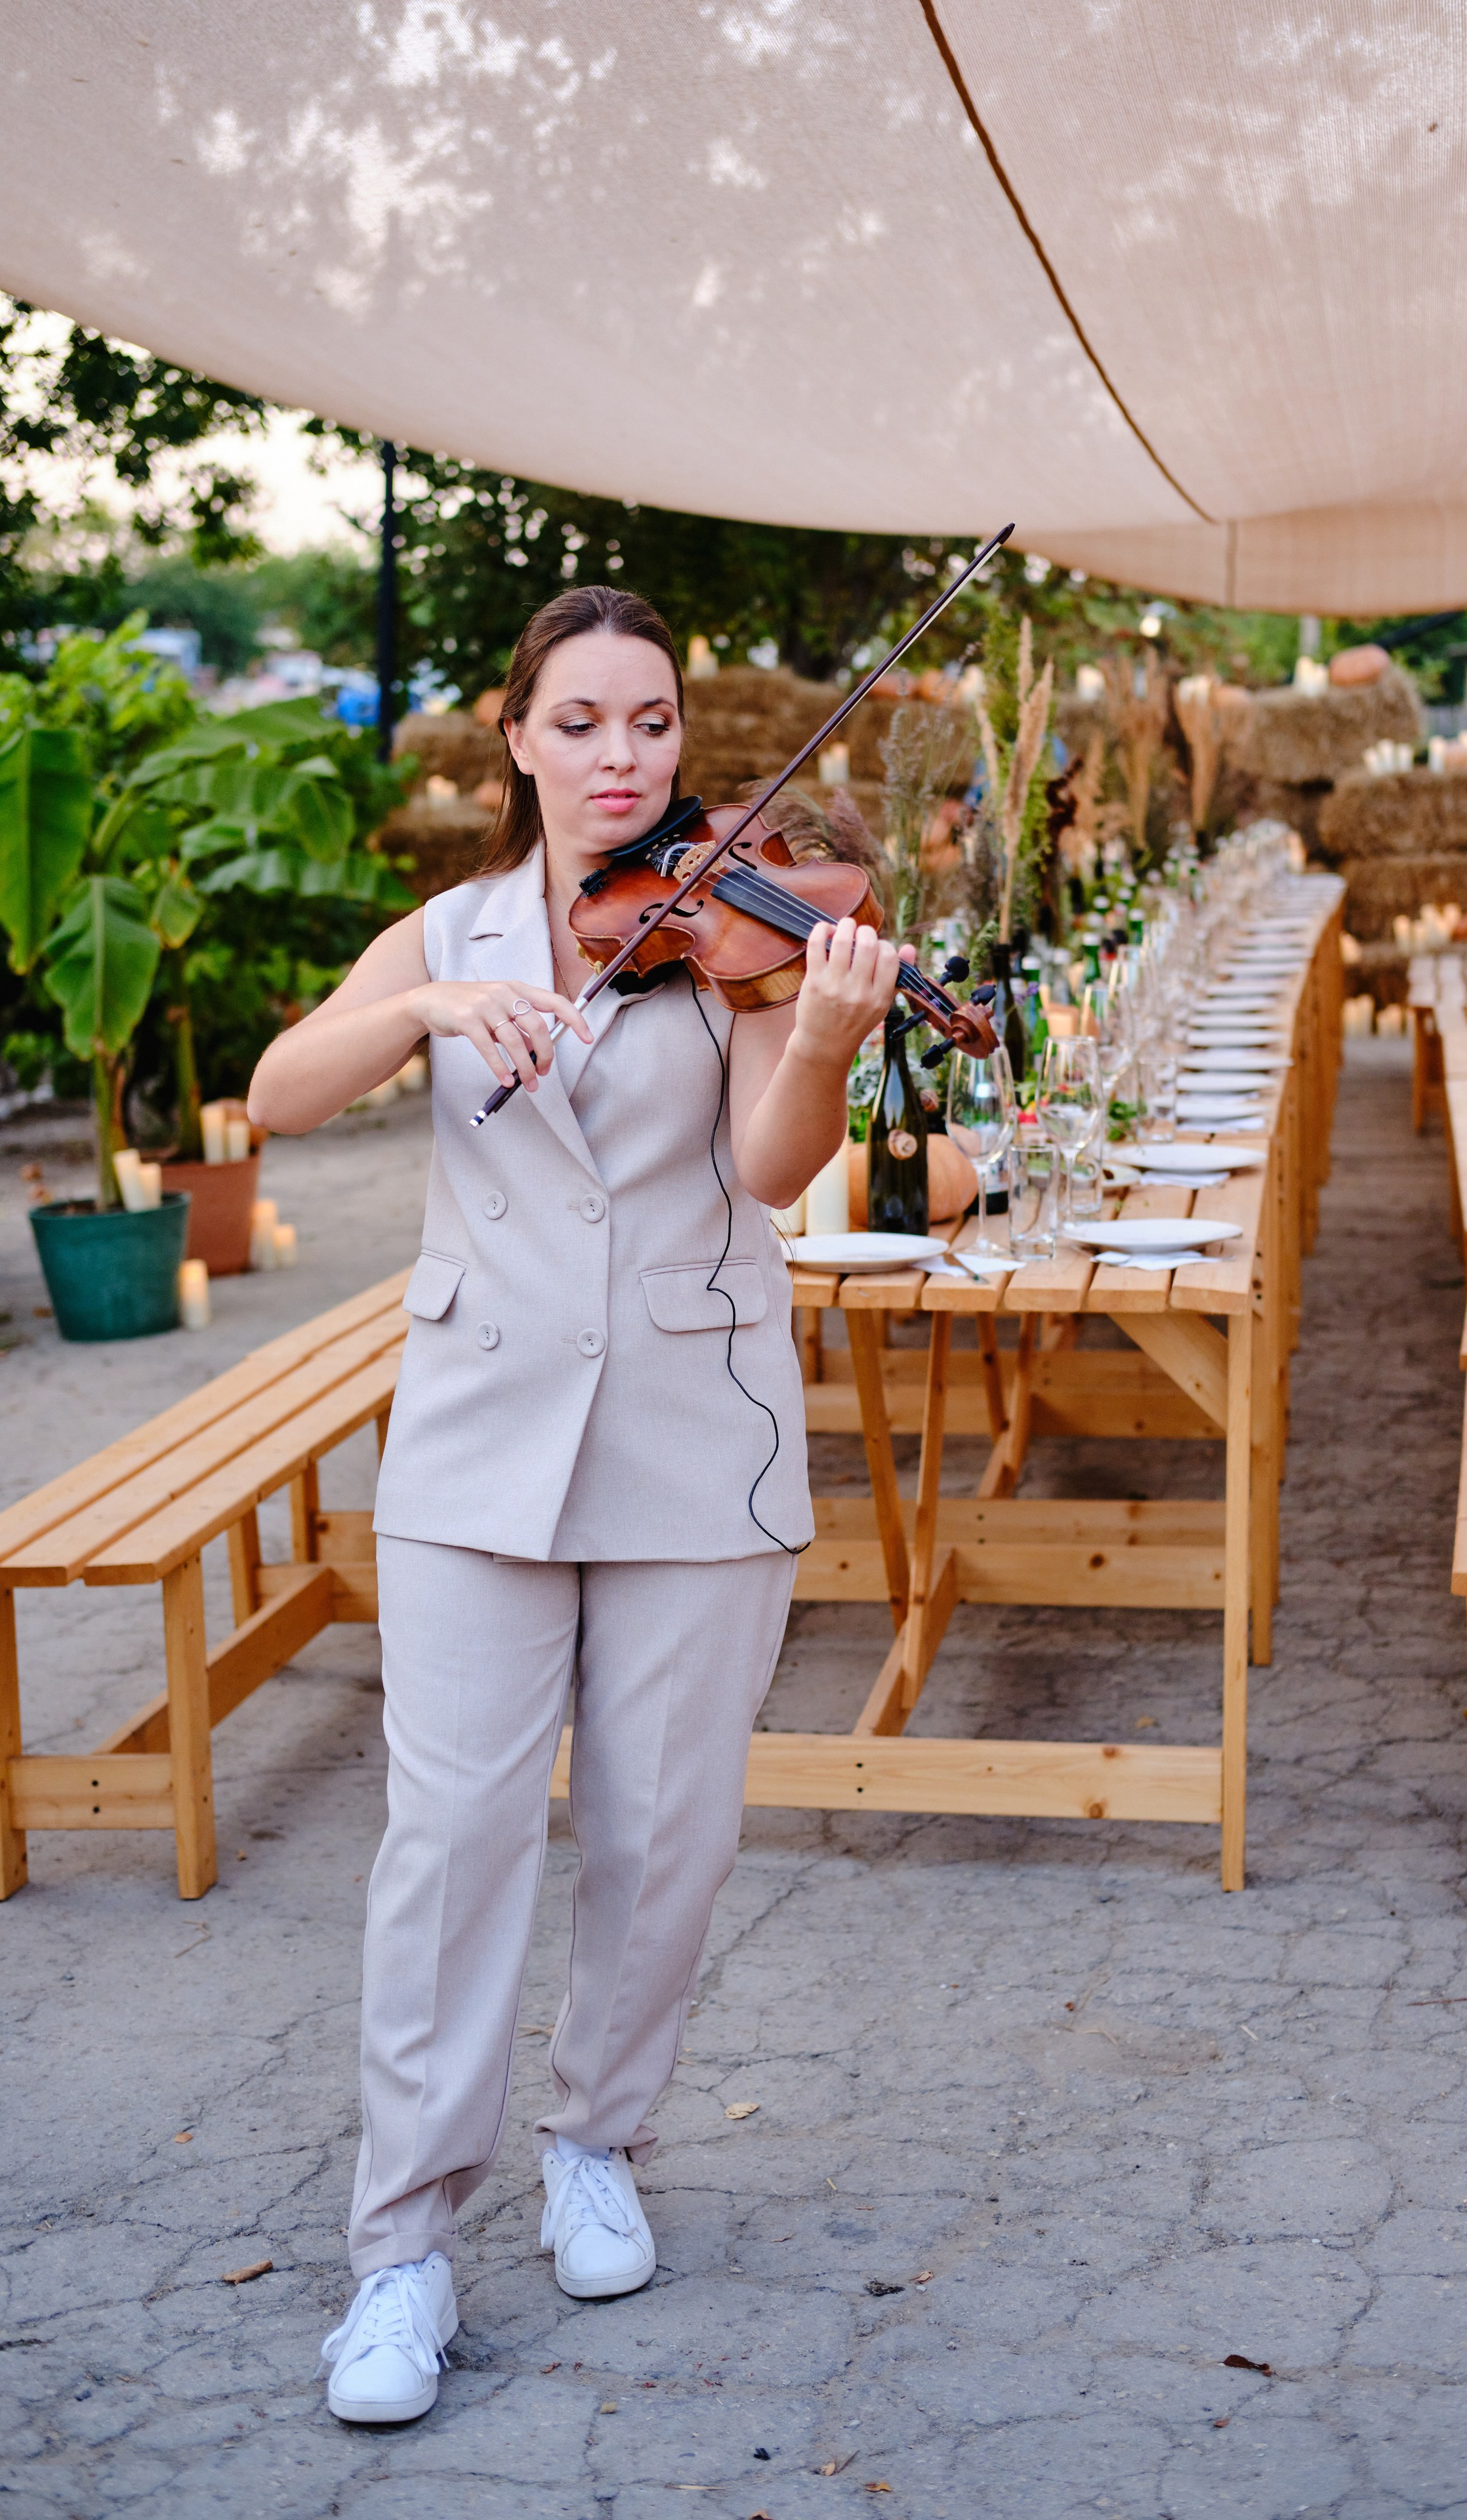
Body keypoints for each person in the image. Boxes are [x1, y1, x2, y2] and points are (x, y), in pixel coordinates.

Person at [247, 585, 901, 2426]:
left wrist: (831, 1036)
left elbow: (772, 1173)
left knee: (662, 1831)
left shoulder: (742, 931)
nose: (628, 759)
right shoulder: (441, 930)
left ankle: (595, 2142)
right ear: (518, 741)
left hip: (699, 1431)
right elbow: (281, 1092)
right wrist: (433, 1005)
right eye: (588, 723)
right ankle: (402, 2251)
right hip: (475, 1442)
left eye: (657, 723)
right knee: (448, 1844)